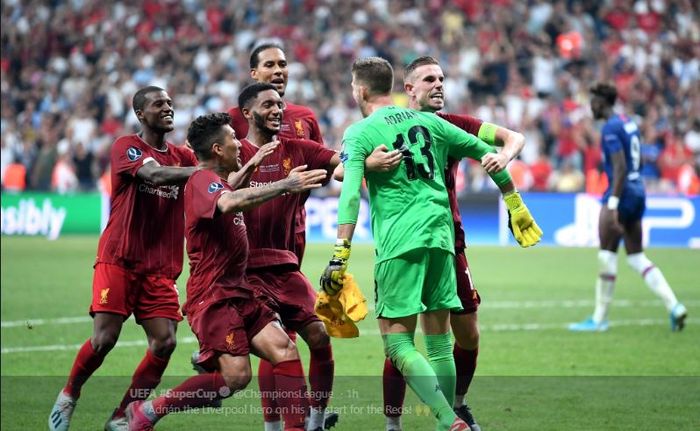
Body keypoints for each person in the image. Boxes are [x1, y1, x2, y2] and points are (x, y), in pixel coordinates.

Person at [321, 57, 541, 431]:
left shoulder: (360, 132)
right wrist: (514, 202)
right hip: (442, 239)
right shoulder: (434, 124)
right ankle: (448, 419)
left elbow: (349, 196)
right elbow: (489, 157)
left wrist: (340, 253)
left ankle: (446, 419)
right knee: (439, 341)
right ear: (398, 88)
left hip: (400, 243)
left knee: (397, 343)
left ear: (359, 91)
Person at [126, 112, 329, 430]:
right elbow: (228, 202)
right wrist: (285, 184)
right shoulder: (201, 179)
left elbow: (230, 189)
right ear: (218, 149)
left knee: (285, 350)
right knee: (237, 378)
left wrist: (251, 165)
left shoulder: (216, 180)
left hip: (239, 290)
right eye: (234, 138)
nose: (239, 143)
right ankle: (150, 410)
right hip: (214, 297)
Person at [380, 56, 526, 431]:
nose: (439, 85)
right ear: (408, 89)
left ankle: (456, 408)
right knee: (401, 332)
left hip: (449, 241)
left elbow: (513, 137)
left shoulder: (454, 125)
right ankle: (392, 422)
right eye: (429, 79)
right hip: (402, 241)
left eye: (442, 78)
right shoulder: (385, 125)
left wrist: (502, 157)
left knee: (467, 333)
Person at [49, 86, 200, 431]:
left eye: (170, 103)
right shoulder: (126, 146)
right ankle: (70, 394)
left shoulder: (183, 156)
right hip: (120, 258)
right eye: (158, 104)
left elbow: (207, 186)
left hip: (160, 267)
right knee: (104, 339)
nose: (167, 107)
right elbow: (154, 175)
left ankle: (122, 415)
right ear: (140, 114)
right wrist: (202, 173)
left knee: (165, 342)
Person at [569, 82, 688, 332]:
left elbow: (620, 167)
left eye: (592, 101)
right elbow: (639, 159)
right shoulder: (628, 122)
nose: (590, 106)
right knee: (636, 256)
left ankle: (599, 319)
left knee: (606, 254)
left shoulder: (610, 128)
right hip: (638, 190)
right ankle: (674, 305)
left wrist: (612, 204)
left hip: (621, 194)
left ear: (602, 102)